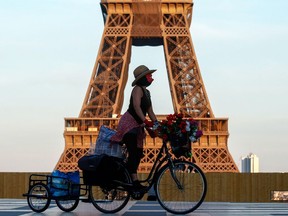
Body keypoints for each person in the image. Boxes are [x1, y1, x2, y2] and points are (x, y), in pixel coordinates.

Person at [111, 65, 159, 189]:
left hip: (137, 127)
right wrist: (145, 121)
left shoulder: (147, 93)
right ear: (143, 78)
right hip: (129, 124)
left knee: (138, 153)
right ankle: (130, 179)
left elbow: (151, 111)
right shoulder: (137, 89)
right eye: (149, 75)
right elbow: (137, 106)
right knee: (133, 152)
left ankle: (133, 180)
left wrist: (158, 124)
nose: (151, 78)